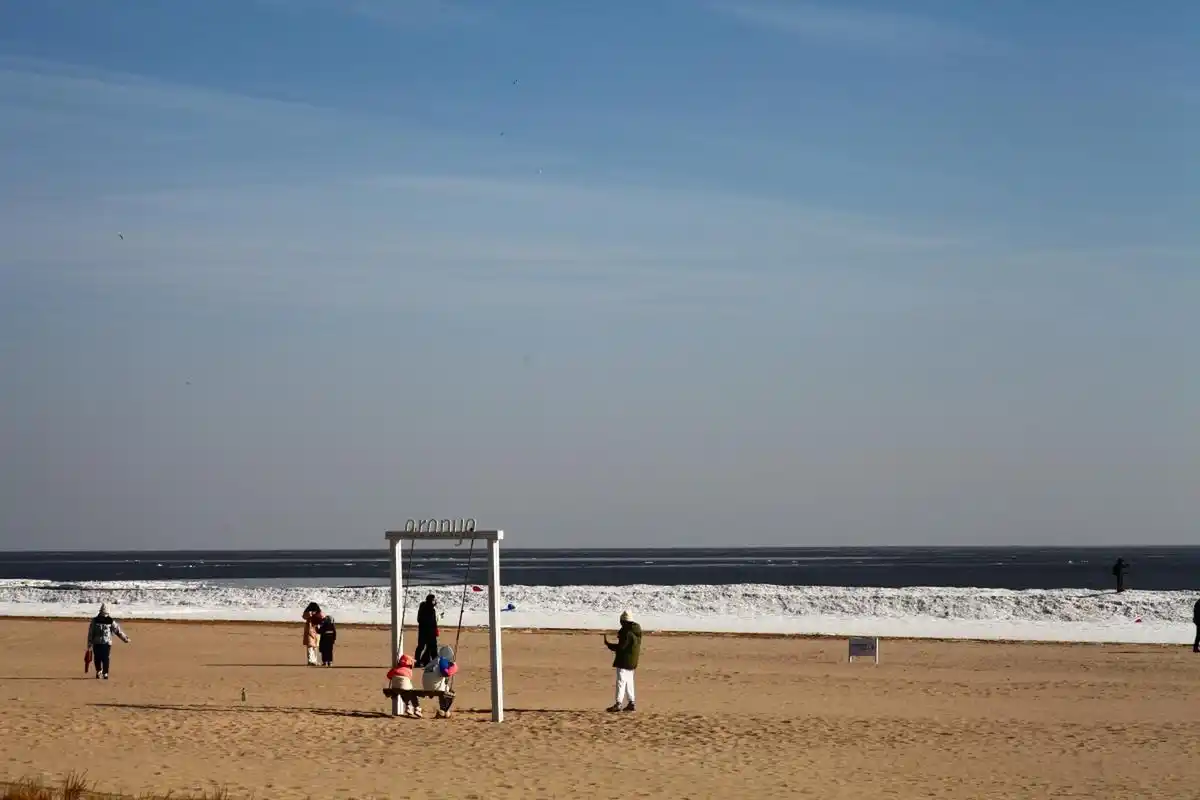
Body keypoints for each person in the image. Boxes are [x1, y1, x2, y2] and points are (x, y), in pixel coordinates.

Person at [604, 610, 642, 713]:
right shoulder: (636, 631)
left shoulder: (627, 632)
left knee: (621, 681)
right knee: (629, 681)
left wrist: (609, 645)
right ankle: (631, 702)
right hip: (632, 661)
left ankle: (618, 703)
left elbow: (621, 648)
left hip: (624, 660)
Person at [86, 604, 130, 680]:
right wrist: (89, 643)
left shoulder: (110, 621)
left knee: (104, 658)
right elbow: (91, 632)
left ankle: (105, 672)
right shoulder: (95, 620)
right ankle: (99, 671)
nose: (104, 615)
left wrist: (125, 638)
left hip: (106, 643)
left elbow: (117, 630)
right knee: (98, 658)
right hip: (97, 643)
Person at [422, 644, 459, 718]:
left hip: (426, 686)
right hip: (435, 686)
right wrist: (454, 668)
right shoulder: (442, 660)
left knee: (444, 689)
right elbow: (446, 673)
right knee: (451, 693)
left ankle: (444, 710)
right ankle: (443, 710)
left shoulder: (433, 662)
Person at [386, 653, 422, 717]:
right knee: (411, 694)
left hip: (395, 688)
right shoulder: (409, 670)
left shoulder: (395, 668)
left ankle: (408, 706)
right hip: (404, 687)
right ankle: (417, 708)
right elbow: (409, 678)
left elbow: (388, 675)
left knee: (403, 693)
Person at [415, 594, 439, 667]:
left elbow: (433, 622)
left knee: (430, 647)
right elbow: (420, 620)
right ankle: (418, 662)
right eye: (433, 600)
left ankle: (426, 661)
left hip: (430, 632)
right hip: (425, 631)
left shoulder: (431, 609)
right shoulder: (425, 608)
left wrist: (435, 630)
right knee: (422, 647)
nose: (435, 602)